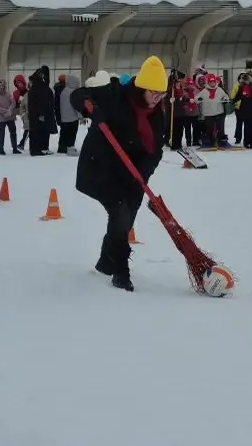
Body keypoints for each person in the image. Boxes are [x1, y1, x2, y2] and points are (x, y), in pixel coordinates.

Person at [71, 56, 168, 292]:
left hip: (132, 175)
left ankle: (106, 262)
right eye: (154, 92)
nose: (158, 98)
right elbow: (78, 96)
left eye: (162, 94)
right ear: (142, 87)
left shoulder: (158, 116)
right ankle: (121, 271)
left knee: (125, 218)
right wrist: (90, 108)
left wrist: (141, 176)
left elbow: (155, 151)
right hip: (100, 168)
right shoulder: (115, 94)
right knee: (120, 212)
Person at [57, 74, 82, 155]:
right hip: (73, 118)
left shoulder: (63, 91)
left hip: (64, 118)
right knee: (72, 134)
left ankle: (61, 147)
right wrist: (80, 116)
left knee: (63, 133)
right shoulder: (74, 92)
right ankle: (70, 148)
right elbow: (76, 106)